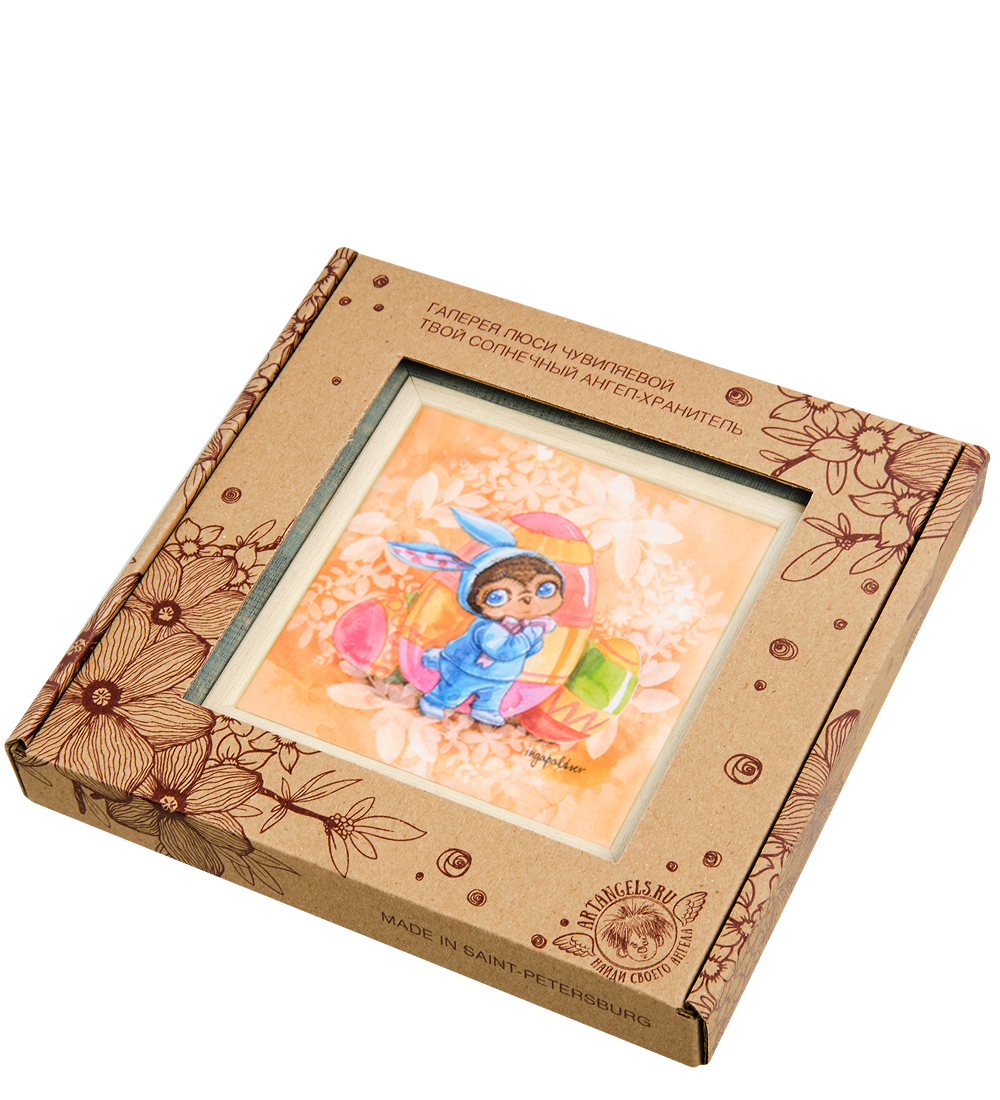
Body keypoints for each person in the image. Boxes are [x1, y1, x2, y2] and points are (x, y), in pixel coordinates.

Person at [387, 509, 564, 726]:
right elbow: (502, 651)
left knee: (493, 695)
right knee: (454, 690)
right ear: (475, 602)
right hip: (466, 669)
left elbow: (529, 650)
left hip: (503, 676)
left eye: (544, 589)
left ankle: (485, 708)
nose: (527, 600)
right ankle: (435, 700)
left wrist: (533, 639)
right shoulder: (489, 628)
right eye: (498, 596)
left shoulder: (528, 626)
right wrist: (530, 634)